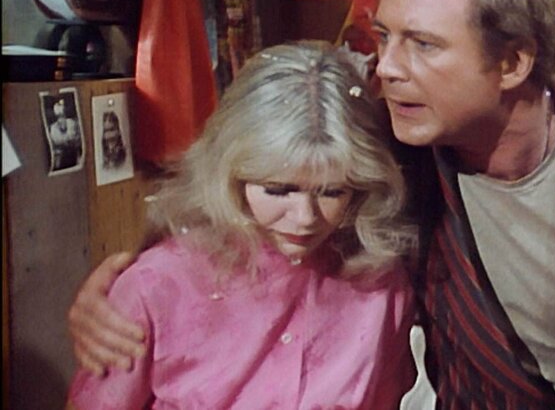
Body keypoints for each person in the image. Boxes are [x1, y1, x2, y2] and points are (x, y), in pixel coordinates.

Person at [69, 0, 555, 408]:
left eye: (421, 44)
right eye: (383, 37)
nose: (385, 68)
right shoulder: (393, 140)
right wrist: (123, 283)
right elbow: (262, 154)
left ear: (512, 62)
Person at [67, 41, 417, 409]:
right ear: (230, 176)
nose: (305, 217)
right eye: (278, 190)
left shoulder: (381, 283)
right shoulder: (158, 285)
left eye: (332, 192)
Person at [49, 97, 82, 170]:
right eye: (58, 118)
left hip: (74, 153)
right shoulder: (53, 129)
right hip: (61, 156)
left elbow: (76, 139)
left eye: (62, 116)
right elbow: (56, 143)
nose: (60, 120)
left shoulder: (72, 123)